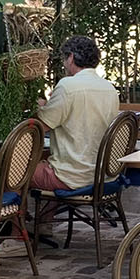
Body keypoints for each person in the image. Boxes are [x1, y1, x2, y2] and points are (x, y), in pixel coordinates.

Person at [33, 36, 120, 193]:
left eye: (64, 59)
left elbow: (40, 127)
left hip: (72, 177)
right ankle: (51, 210)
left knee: (12, 171)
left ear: (71, 57)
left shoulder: (67, 86)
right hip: (103, 175)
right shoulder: (109, 88)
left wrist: (40, 107)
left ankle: (12, 210)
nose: (64, 64)